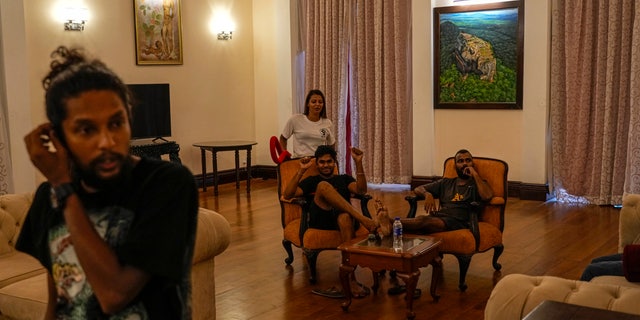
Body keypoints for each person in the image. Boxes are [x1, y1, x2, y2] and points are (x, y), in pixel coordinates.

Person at [17, 46, 198, 319]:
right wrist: (59, 187)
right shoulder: (48, 197)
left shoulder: (166, 184)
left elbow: (114, 295)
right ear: (58, 136)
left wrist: (63, 187)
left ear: (129, 118)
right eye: (86, 129)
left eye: (116, 123)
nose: (107, 142)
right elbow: (60, 297)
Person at [283, 145, 385, 298]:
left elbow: (362, 190)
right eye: (322, 162)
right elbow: (288, 194)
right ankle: (364, 220)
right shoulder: (312, 180)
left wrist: (358, 162)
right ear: (317, 164)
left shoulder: (343, 179)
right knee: (323, 186)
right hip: (321, 219)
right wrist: (301, 170)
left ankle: (351, 279)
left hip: (343, 220)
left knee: (344, 217)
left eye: (329, 161)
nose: (326, 165)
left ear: (335, 162)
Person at [377, 149, 494, 236]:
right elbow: (418, 189)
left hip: (460, 221)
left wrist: (475, 174)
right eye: (460, 161)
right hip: (440, 217)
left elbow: (487, 196)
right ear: (455, 165)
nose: (464, 164)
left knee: (422, 220)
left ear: (472, 163)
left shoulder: (478, 183)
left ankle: (389, 221)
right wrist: (427, 194)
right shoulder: (446, 182)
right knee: (418, 228)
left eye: (468, 160)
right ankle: (379, 227)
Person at [279, 89, 336, 158]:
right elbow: (283, 138)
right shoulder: (295, 119)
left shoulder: (327, 123)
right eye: (314, 102)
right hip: (299, 161)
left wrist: (331, 158)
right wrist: (284, 155)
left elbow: (332, 144)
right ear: (308, 104)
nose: (317, 104)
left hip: (318, 163)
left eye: (320, 102)